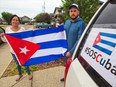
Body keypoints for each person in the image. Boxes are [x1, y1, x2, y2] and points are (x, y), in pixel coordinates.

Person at [0, 15, 33, 81]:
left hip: (22, 50)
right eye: (13, 20)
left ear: (18, 21)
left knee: (25, 62)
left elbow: (25, 38)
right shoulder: (7, 29)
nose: (15, 21)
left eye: (17, 20)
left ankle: (29, 73)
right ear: (11, 21)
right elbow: (6, 41)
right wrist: (2, 36)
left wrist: (31, 33)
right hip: (13, 51)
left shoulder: (22, 29)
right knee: (17, 64)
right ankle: (20, 74)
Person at [60, 3, 86, 82]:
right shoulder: (67, 22)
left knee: (73, 69)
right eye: (71, 11)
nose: (73, 13)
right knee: (67, 65)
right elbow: (62, 33)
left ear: (78, 12)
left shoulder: (81, 24)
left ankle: (71, 81)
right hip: (65, 50)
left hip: (74, 52)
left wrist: (71, 52)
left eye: (75, 11)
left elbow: (80, 40)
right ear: (69, 13)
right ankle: (66, 77)